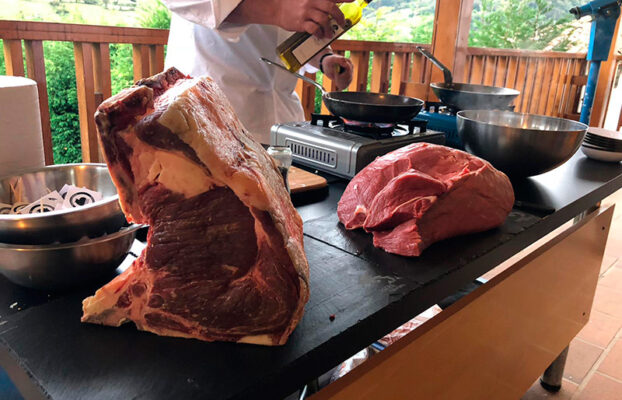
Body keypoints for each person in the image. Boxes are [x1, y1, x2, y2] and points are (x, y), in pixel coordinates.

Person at [162, 0, 355, 144]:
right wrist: (278, 9)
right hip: (209, 120)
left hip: (284, 126)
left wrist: (323, 59)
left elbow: (290, 34)